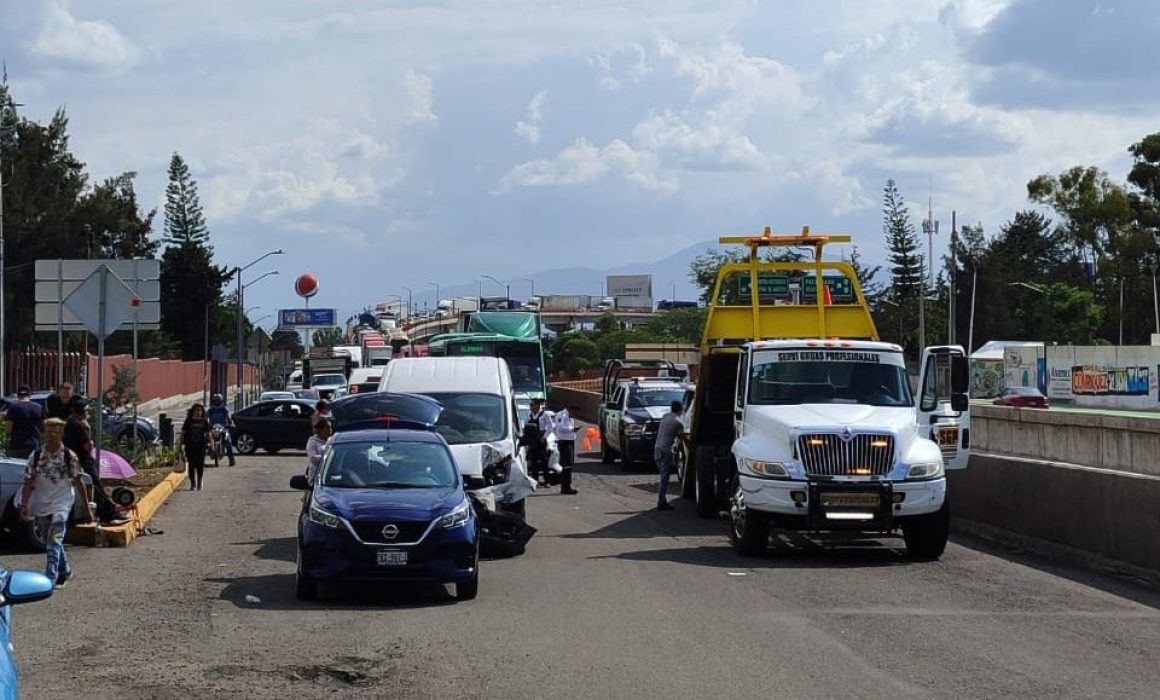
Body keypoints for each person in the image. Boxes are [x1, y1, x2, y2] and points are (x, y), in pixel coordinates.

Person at [20, 418, 94, 589]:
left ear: (62, 434)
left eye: (56, 432)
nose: (52, 436)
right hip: (42, 502)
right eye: (48, 432)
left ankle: (50, 577)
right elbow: (28, 481)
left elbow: (78, 481)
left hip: (62, 501)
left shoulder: (69, 456)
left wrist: (87, 506)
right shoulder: (36, 455)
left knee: (54, 540)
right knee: (51, 540)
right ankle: (65, 569)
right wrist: (24, 505)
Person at [63, 399, 128, 526]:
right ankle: (109, 515)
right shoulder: (80, 425)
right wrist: (89, 430)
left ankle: (99, 512)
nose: (88, 413)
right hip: (83, 460)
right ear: (82, 412)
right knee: (97, 487)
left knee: (90, 488)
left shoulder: (68, 423)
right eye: (87, 411)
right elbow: (88, 446)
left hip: (72, 459)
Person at [654, 400, 690, 511]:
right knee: (664, 477)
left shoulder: (665, 417)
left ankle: (662, 500)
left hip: (657, 449)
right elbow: (683, 438)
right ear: (680, 409)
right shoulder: (678, 422)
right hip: (665, 450)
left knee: (662, 475)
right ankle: (661, 502)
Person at [179, 403, 215, 491]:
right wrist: (179, 445)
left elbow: (209, 434)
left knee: (200, 465)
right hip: (190, 446)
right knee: (191, 465)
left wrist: (212, 445)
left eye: (200, 410)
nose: (199, 412)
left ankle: (199, 481)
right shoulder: (188, 421)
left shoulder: (204, 421)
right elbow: (183, 433)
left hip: (201, 446)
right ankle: (193, 483)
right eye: (197, 410)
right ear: (193, 411)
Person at [5, 385, 45, 459]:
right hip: (34, 445)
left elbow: (8, 429)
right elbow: (43, 428)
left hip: (17, 446)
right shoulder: (39, 407)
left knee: (16, 469)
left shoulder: (13, 407)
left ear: (18, 395)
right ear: (30, 395)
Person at [552, 404, 579, 495]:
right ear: (570, 409)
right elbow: (560, 428)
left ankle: (567, 485)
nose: (575, 415)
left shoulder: (569, 417)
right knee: (566, 464)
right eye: (574, 412)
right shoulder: (561, 415)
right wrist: (572, 429)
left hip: (570, 441)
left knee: (569, 464)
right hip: (564, 442)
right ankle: (565, 487)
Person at [206, 393, 237, 466]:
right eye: (215, 400)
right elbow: (206, 417)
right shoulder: (211, 409)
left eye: (218, 400)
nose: (217, 402)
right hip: (213, 428)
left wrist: (231, 423)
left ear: (221, 400)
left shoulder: (224, 409)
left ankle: (231, 459)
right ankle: (202, 459)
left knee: (228, 442)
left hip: (223, 428)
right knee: (205, 442)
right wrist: (206, 424)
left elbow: (229, 417)